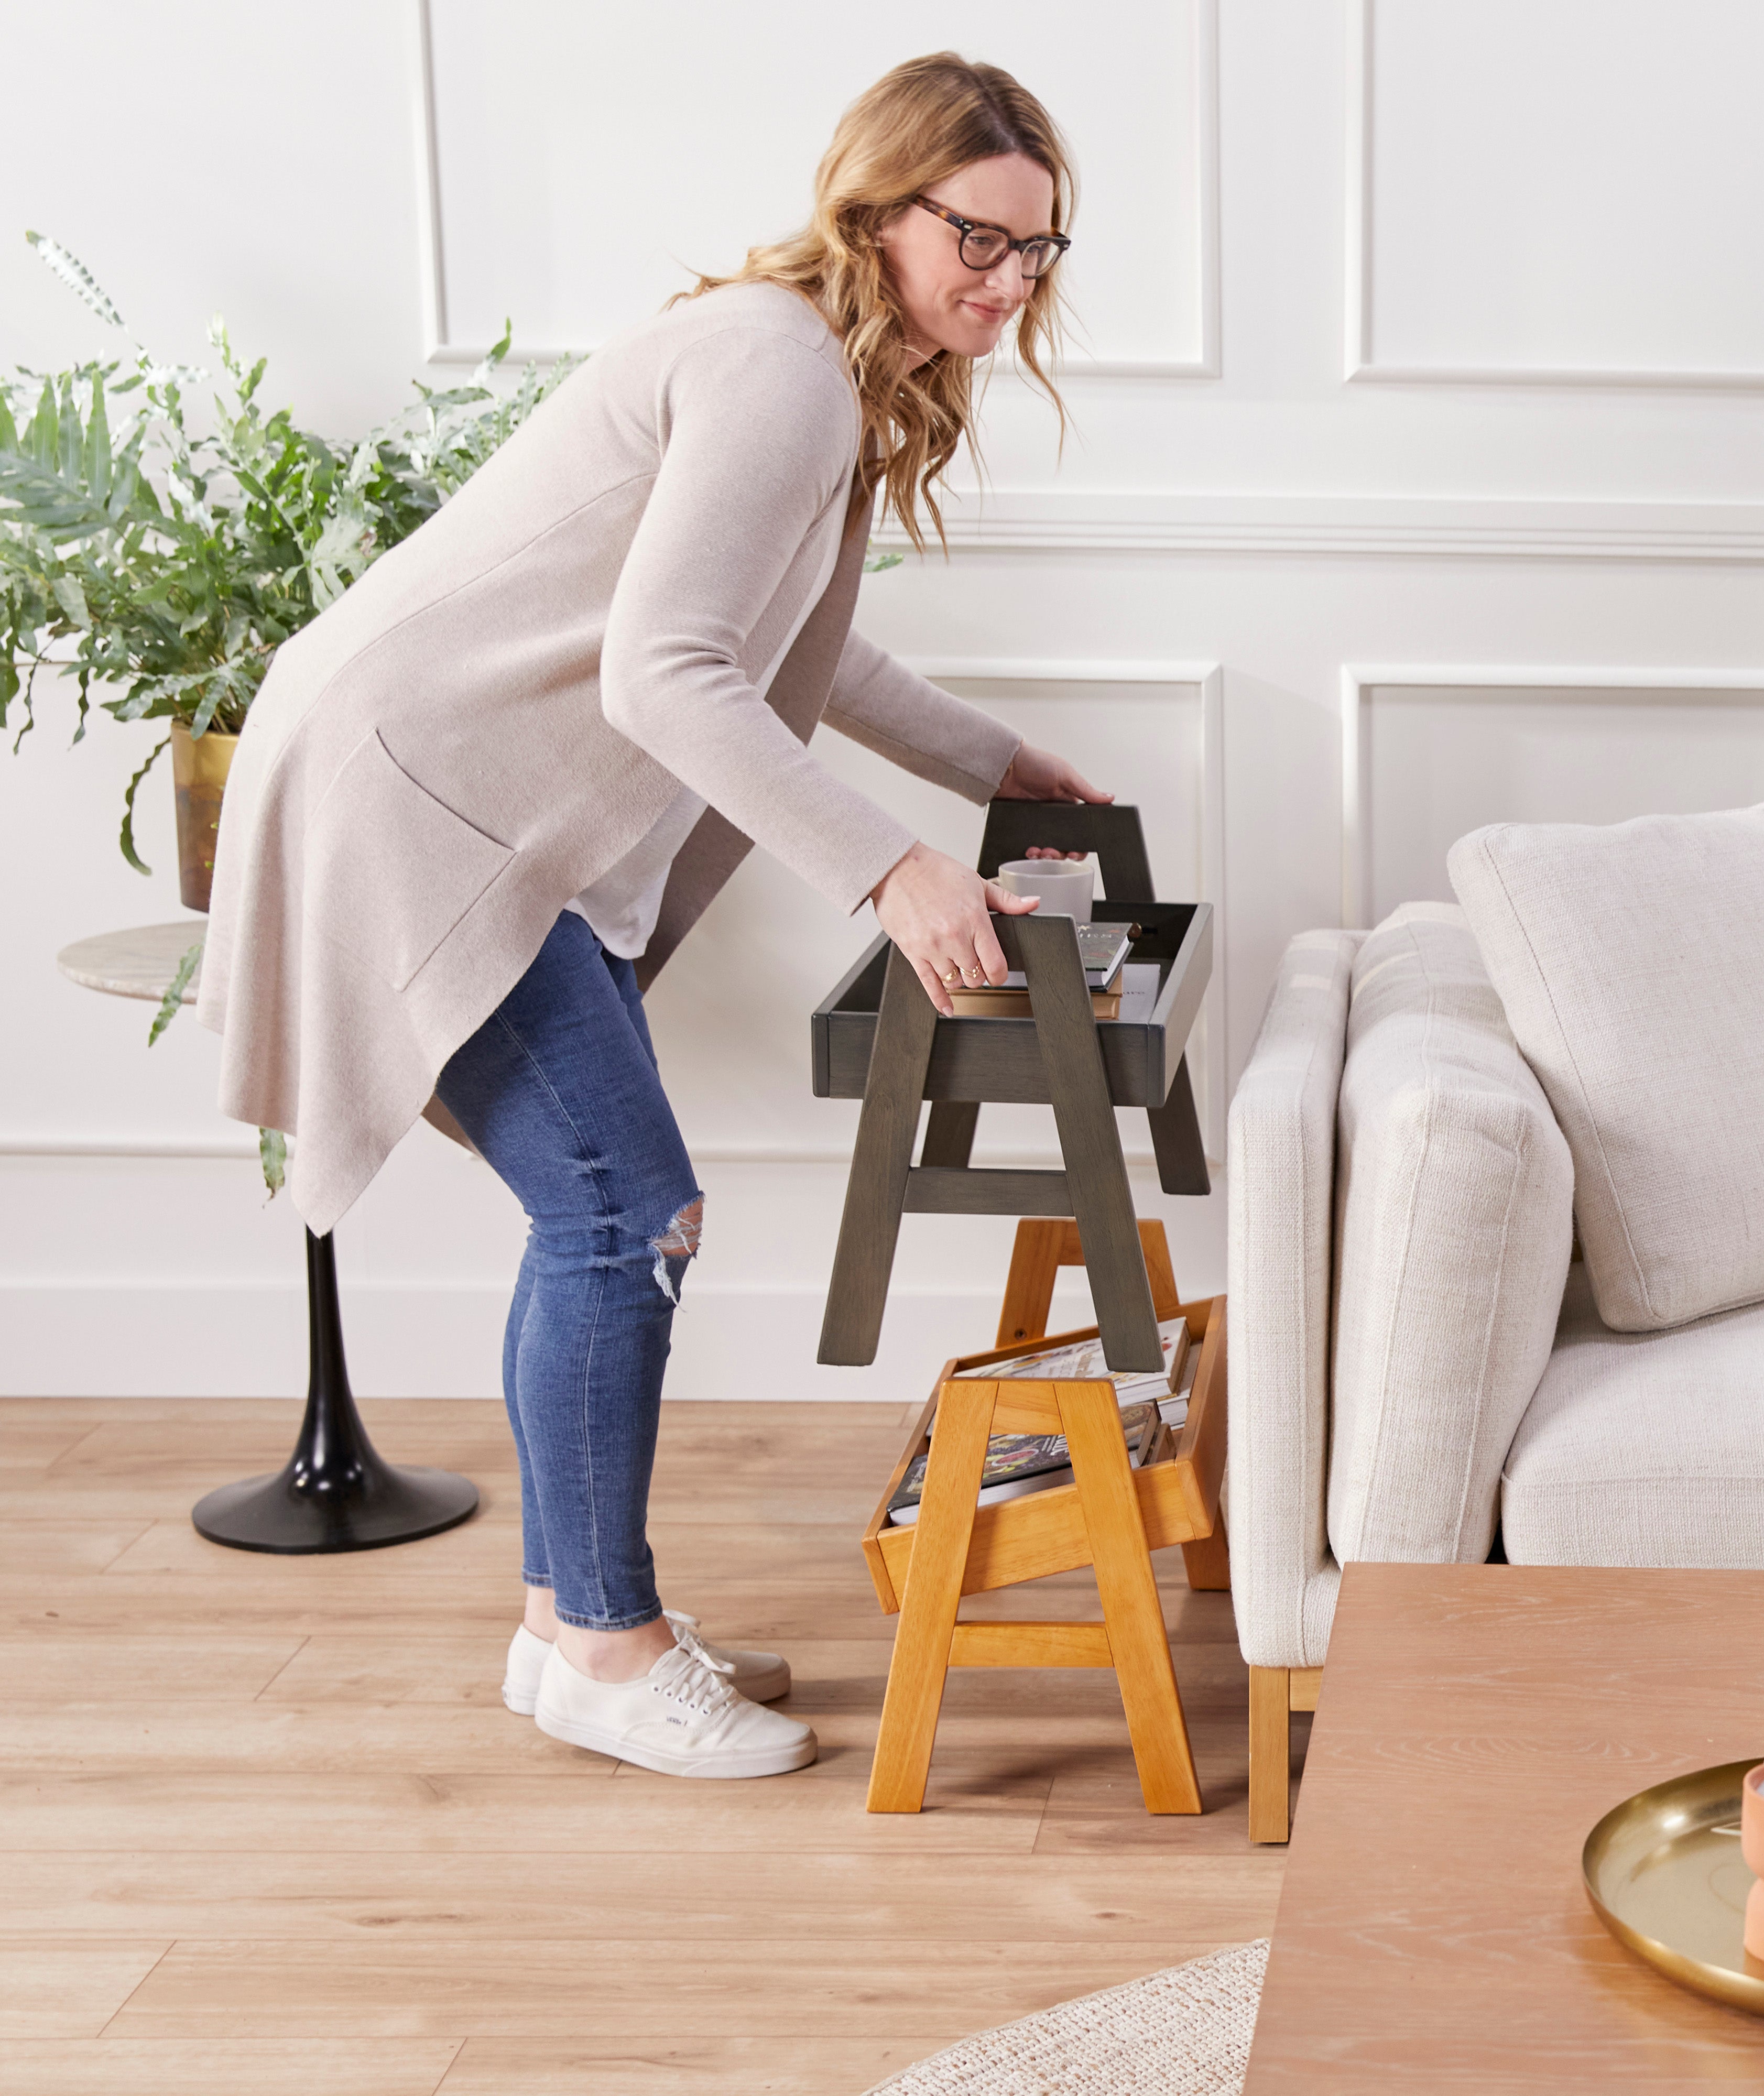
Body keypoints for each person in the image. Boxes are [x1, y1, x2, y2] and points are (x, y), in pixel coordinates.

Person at [198, 52, 1105, 1779]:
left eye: (1039, 251)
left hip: (455, 792)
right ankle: (610, 1649)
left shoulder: (821, 363)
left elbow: (792, 647)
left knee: (602, 1212)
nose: (1007, 280)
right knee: (627, 1209)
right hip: (429, 801)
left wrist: (995, 760)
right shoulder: (782, 371)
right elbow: (666, 673)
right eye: (977, 237)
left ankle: (572, 1626)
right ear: (879, 207)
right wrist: (893, 869)